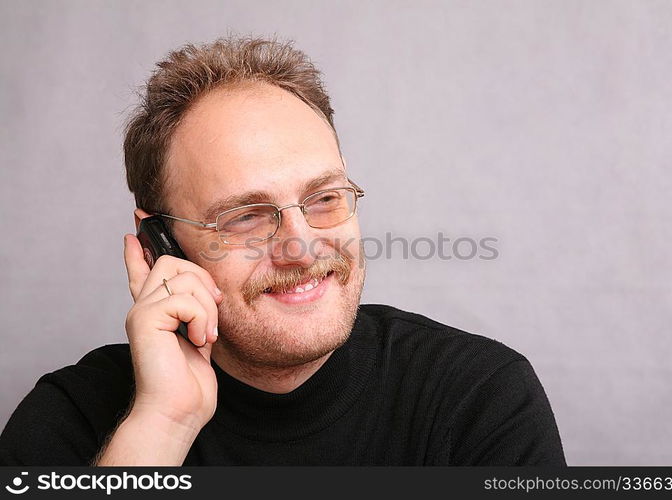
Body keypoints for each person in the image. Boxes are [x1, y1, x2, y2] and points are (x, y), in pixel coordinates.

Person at [0, 36, 566, 466]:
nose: (300, 246)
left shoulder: (477, 395)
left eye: (324, 198)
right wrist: (164, 425)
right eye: (245, 216)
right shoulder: (72, 418)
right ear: (159, 245)